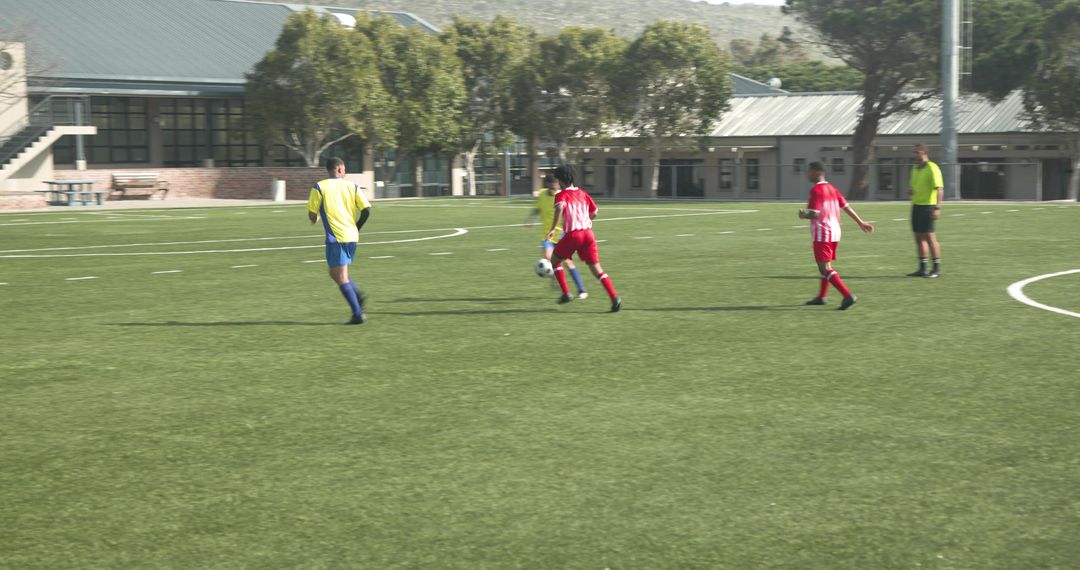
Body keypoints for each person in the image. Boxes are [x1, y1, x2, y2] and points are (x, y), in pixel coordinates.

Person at [798, 161, 874, 310]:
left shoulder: (816, 190)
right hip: (835, 232)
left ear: (818, 172)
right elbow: (846, 207)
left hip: (822, 232)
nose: (808, 174)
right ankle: (821, 297)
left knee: (824, 268)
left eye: (810, 171)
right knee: (826, 265)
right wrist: (860, 222)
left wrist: (803, 214)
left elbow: (814, 214)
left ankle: (847, 296)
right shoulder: (832, 188)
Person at [546, 164, 622, 312]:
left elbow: (560, 207)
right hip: (588, 234)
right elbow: (595, 212)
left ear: (560, 181)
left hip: (573, 235)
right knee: (597, 269)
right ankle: (614, 298)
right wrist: (585, 220)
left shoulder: (561, 195)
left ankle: (566, 293)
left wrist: (553, 229)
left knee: (555, 260)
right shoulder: (582, 193)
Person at [307, 157, 372, 324]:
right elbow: (366, 210)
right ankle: (357, 294)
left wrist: (315, 218)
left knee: (341, 276)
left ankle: (357, 314)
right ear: (340, 169)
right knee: (335, 273)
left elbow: (312, 215)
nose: (345, 172)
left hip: (336, 237)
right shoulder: (353, 186)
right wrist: (356, 227)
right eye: (345, 169)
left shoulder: (319, 187)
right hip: (352, 236)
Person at [527, 173, 587, 299]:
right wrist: (530, 220)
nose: (555, 187)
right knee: (548, 257)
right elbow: (537, 209)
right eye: (553, 185)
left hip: (562, 235)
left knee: (568, 262)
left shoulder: (562, 195)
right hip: (547, 236)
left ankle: (582, 290)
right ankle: (559, 283)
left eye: (556, 184)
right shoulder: (542, 194)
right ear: (548, 185)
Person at [907, 143, 943, 278]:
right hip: (916, 206)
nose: (915, 155)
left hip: (928, 206)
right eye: (914, 152)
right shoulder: (914, 168)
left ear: (924, 153)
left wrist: (937, 207)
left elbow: (939, 189)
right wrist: (911, 190)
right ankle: (922, 269)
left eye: (917, 152)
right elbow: (913, 186)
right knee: (918, 237)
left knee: (930, 238)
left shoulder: (932, 167)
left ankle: (936, 269)